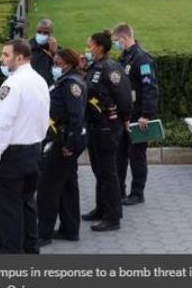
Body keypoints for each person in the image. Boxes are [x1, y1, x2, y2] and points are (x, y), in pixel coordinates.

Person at [0, 39, 50, 253]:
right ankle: (31, 251)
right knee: (27, 205)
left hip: (11, 155)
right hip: (33, 150)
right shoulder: (40, 80)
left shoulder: (12, 83)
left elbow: (5, 122)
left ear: (20, 57)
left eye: (6, 55)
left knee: (6, 212)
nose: (2, 59)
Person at [81, 31, 133, 233]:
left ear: (100, 48)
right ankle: (101, 208)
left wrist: (125, 119)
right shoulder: (94, 67)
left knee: (108, 172)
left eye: (90, 45)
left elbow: (124, 97)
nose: (88, 48)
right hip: (95, 126)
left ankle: (113, 217)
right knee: (99, 170)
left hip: (108, 127)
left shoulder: (111, 69)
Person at [37, 48, 87, 247]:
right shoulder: (67, 80)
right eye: (54, 63)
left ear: (68, 63)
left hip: (63, 142)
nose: (54, 67)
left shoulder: (71, 84)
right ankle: (70, 229)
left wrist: (69, 144)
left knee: (48, 187)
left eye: (57, 64)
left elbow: (76, 117)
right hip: (64, 140)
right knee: (67, 186)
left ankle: (43, 233)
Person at [111, 23, 158, 207]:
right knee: (120, 154)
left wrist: (146, 114)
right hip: (125, 115)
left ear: (124, 38)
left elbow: (149, 88)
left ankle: (137, 193)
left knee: (137, 155)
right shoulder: (125, 57)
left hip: (138, 115)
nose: (116, 44)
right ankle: (120, 190)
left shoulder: (142, 59)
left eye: (116, 41)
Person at [29, 18, 58, 86]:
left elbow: (60, 69)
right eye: (39, 32)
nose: (42, 34)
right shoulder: (27, 47)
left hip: (47, 86)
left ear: (51, 34)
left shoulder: (57, 50)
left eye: (45, 33)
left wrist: (54, 52)